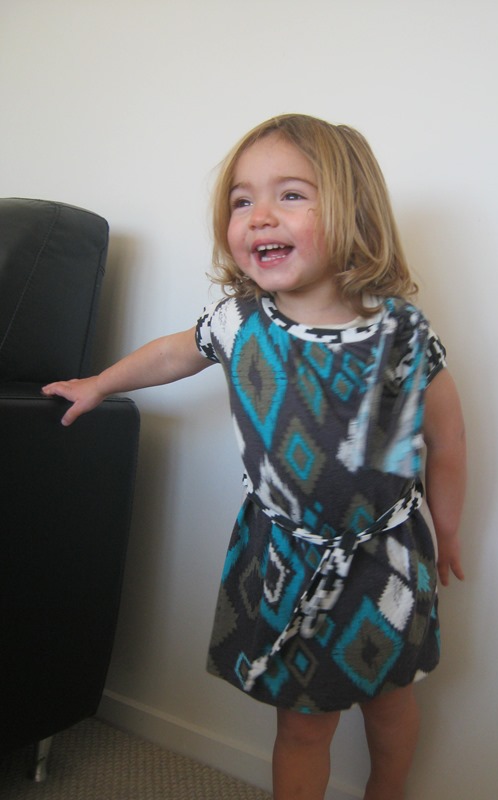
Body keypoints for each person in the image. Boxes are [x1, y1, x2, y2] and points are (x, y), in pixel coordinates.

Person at [43, 114, 466, 800]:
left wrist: (446, 529)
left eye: (290, 194)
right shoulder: (239, 321)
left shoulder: (403, 333)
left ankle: (388, 791)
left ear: (354, 209)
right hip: (284, 559)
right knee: (301, 725)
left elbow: (447, 440)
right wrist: (100, 383)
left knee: (391, 703)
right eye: (242, 201)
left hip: (387, 558)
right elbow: (173, 354)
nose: (260, 215)